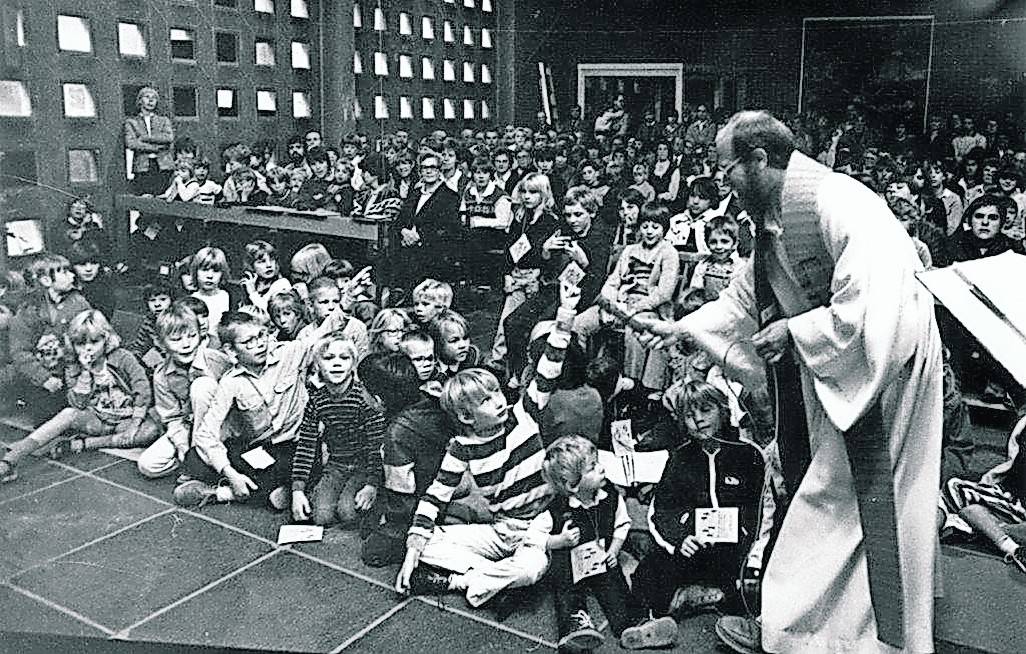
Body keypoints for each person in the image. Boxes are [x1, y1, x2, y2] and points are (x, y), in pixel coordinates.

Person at [635, 111, 942, 654]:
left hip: (879, 380)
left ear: (758, 161)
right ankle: (820, 630)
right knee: (829, 502)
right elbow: (744, 299)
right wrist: (680, 326)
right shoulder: (777, 216)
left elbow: (878, 309)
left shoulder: (839, 203)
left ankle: (841, 636)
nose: (723, 185)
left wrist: (798, 331)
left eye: (727, 169)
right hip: (841, 373)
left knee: (843, 505)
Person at [394, 280, 582, 607]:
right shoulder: (461, 446)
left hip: (537, 527)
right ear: (467, 417)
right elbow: (434, 497)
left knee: (533, 568)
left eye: (495, 392)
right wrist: (411, 555)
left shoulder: (525, 413)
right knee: (427, 542)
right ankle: (490, 581)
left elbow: (549, 367)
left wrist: (565, 314)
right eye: (485, 400)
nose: (497, 400)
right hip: (500, 529)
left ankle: (463, 581)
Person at [541, 435, 679, 651]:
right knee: (567, 591)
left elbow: (622, 524)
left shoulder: (611, 496)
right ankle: (575, 629)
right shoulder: (556, 509)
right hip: (570, 565)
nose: (601, 468)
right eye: (593, 468)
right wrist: (559, 540)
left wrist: (614, 550)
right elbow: (534, 538)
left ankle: (635, 625)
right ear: (572, 485)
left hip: (602, 557)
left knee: (615, 584)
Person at [1, 310, 161, 482]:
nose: (88, 348)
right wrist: (85, 372)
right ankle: (12, 458)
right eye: (80, 343)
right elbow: (77, 403)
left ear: (106, 339)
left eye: (94, 341)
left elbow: (142, 388)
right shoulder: (74, 365)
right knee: (67, 414)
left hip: (126, 420)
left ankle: (81, 444)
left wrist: (135, 423)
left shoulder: (122, 357)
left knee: (150, 431)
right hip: (97, 419)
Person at [290, 333, 385, 527]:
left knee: (348, 513)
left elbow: (377, 445)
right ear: (317, 365)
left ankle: (381, 500)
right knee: (322, 518)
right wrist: (297, 490)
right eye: (328, 358)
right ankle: (314, 492)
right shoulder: (316, 400)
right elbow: (306, 444)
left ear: (353, 364)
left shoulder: (363, 398)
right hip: (336, 465)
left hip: (364, 466)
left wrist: (372, 484)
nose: (336, 364)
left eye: (344, 358)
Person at [136, 302, 233, 479]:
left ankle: (200, 463)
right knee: (147, 465)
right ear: (161, 343)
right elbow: (172, 418)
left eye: (191, 336)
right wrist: (183, 448)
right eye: (176, 339)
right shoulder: (162, 375)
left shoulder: (216, 360)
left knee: (202, 386)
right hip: (189, 427)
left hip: (222, 425)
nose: (186, 344)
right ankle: (194, 461)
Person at [124, 87, 174, 195]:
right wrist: (155, 148)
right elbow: (131, 143)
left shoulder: (164, 120)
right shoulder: (131, 122)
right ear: (140, 100)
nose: (150, 100)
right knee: (145, 198)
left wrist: (144, 138)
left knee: (162, 196)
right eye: (147, 97)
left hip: (163, 165)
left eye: (154, 98)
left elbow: (168, 138)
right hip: (143, 166)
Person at [240, 241, 293, 312]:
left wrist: (253, 293)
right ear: (251, 266)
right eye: (262, 261)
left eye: (272, 260)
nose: (269, 265)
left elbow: (272, 313)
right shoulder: (251, 283)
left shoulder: (282, 284)